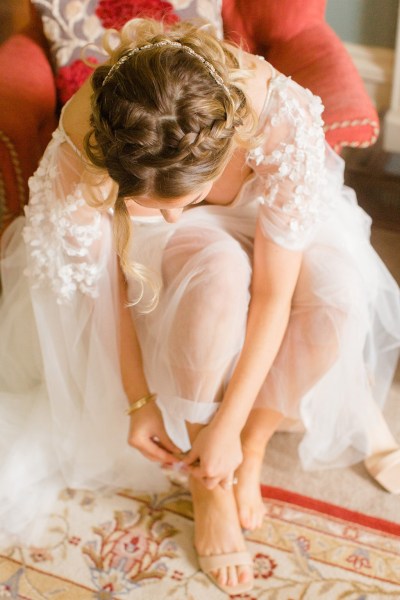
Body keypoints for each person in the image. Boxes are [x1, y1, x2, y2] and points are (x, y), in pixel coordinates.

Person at [1, 17, 400, 595]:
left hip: (260, 204)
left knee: (338, 292)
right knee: (215, 275)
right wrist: (139, 400)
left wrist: (235, 427)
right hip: (173, 249)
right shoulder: (89, 145)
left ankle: (252, 446)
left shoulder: (275, 118)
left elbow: (273, 293)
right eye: (147, 203)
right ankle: (208, 482)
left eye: (175, 202)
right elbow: (100, 283)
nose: (164, 213)